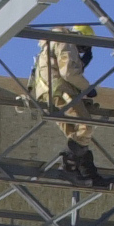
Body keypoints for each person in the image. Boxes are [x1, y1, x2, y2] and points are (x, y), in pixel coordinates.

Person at [32, 25, 108, 187]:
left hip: (48, 93)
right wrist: (87, 88)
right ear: (80, 37)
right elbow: (68, 72)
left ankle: (86, 172)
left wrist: (80, 64)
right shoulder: (66, 40)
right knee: (86, 126)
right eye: (84, 46)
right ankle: (67, 165)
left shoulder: (50, 44)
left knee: (75, 134)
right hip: (59, 91)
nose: (82, 51)